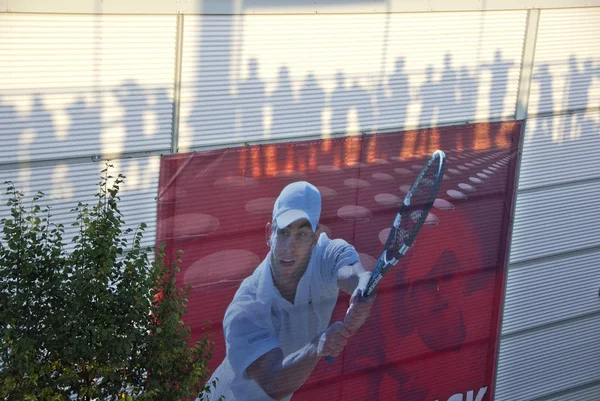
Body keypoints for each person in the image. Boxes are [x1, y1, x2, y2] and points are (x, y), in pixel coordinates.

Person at [203, 181, 376, 401]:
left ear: (315, 238)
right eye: (283, 232)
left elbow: (354, 275)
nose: (289, 246)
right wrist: (317, 347)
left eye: (301, 235)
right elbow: (275, 383)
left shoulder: (329, 254)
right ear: (269, 233)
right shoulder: (246, 308)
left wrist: (363, 289)